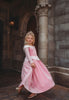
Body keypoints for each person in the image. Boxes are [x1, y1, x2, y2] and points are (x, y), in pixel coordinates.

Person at [16, 31, 55, 98]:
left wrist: (39, 62)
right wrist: (31, 62)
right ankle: (22, 87)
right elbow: (28, 55)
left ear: (33, 39)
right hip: (29, 63)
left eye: (31, 38)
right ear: (26, 39)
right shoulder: (26, 46)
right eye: (28, 38)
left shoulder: (33, 46)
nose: (30, 39)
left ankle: (34, 90)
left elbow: (35, 55)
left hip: (36, 62)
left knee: (36, 77)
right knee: (28, 76)